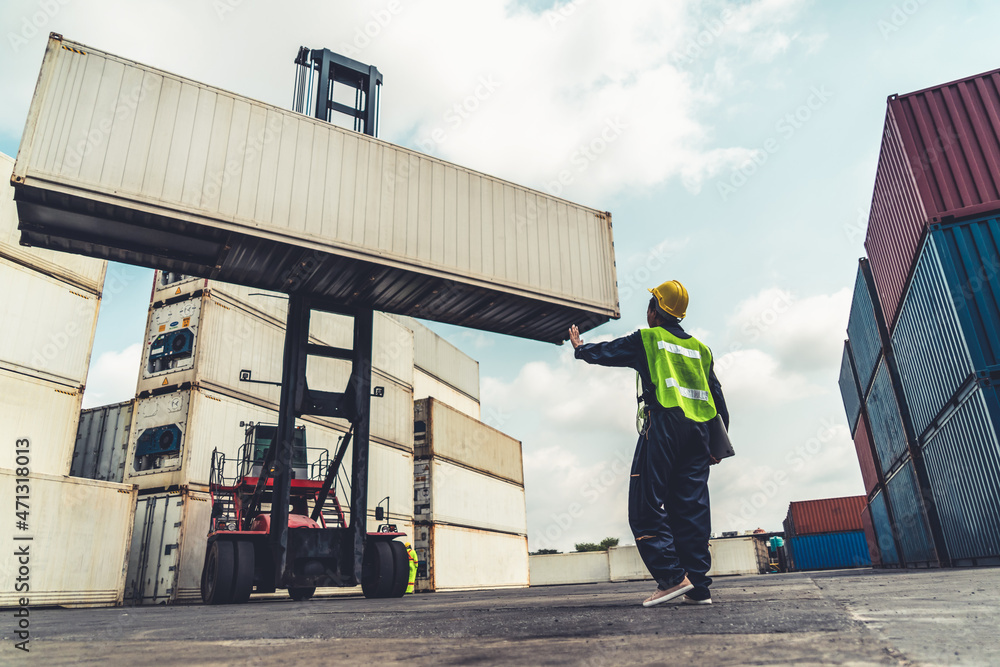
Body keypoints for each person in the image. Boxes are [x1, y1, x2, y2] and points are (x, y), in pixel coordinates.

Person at [569, 279, 729, 607]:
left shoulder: (649, 339)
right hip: (700, 432)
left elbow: (609, 351)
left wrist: (580, 349)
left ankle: (671, 577)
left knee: (645, 503)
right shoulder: (701, 349)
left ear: (654, 310)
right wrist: (718, 442)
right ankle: (697, 586)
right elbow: (717, 396)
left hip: (666, 424)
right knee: (692, 508)